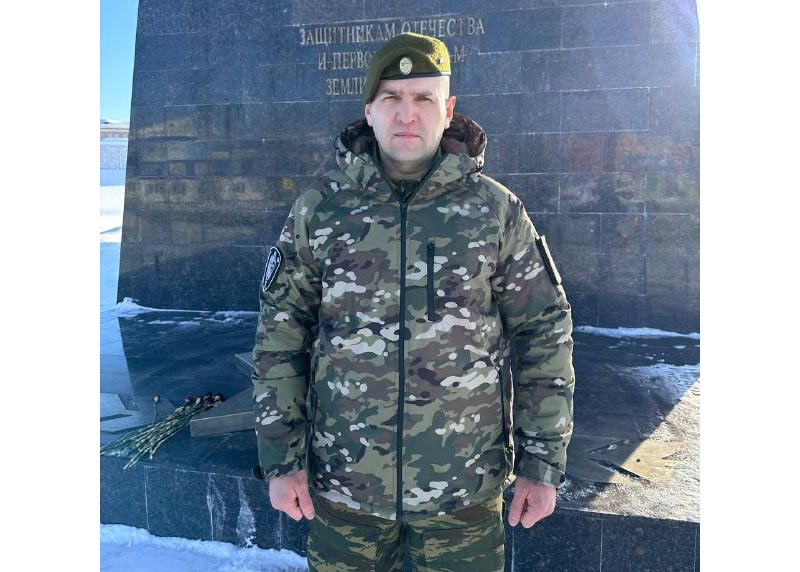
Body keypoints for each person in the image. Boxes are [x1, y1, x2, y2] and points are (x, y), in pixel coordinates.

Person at [251, 32, 575, 572]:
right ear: (369, 111)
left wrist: (541, 462)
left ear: (448, 110)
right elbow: (279, 335)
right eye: (391, 98)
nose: (407, 114)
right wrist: (281, 460)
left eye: (424, 98)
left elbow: (544, 331)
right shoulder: (320, 209)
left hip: (464, 491)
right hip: (345, 487)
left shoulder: (494, 211)